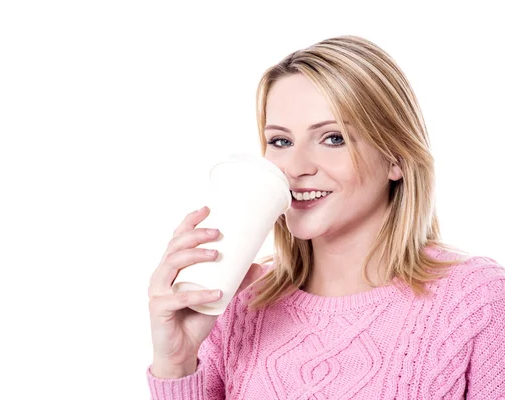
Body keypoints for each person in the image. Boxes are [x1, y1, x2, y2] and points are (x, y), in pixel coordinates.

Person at [145, 35, 505, 399]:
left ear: (395, 157)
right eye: (281, 142)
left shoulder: (476, 300)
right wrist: (176, 363)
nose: (296, 168)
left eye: (333, 138)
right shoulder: (239, 302)